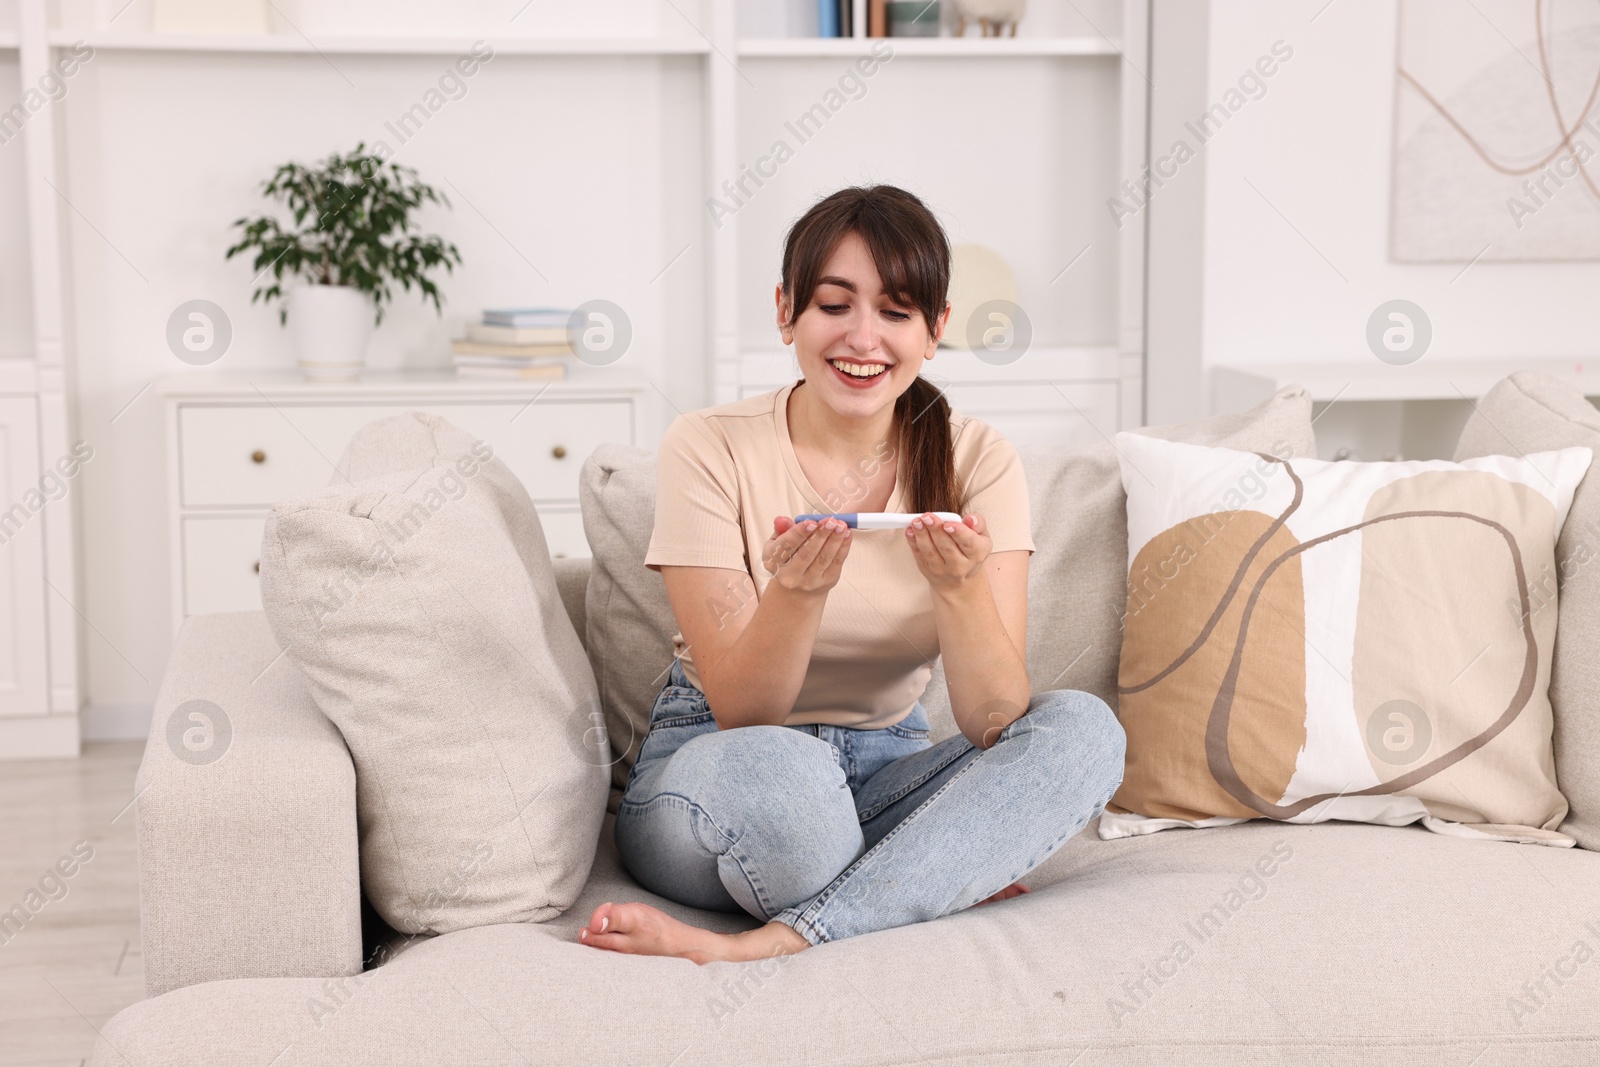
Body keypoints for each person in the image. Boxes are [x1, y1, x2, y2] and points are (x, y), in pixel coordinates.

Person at [578, 185, 1125, 964]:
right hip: (723, 762)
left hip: (882, 770)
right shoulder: (706, 446)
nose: (863, 337)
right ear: (785, 311)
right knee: (790, 788)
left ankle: (778, 938)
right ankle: (920, 876)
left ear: (934, 330)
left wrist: (960, 590)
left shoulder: (979, 460)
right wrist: (796, 594)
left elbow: (996, 719)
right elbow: (741, 706)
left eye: (897, 313)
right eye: (835, 304)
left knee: (1083, 730)